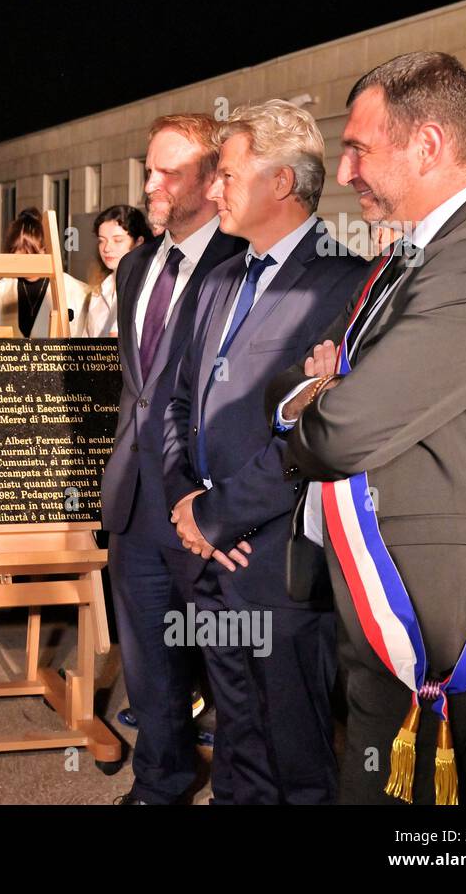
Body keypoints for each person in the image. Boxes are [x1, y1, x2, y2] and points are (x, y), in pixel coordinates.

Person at [269, 53, 466, 805]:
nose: (344, 173)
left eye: (359, 150)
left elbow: (341, 430)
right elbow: (299, 382)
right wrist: (318, 390)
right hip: (382, 585)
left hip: (433, 618)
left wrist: (328, 394)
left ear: (428, 145)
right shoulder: (423, 246)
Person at [162, 101, 367, 804]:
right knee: (238, 744)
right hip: (211, 555)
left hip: (281, 564)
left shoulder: (345, 282)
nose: (213, 189)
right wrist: (187, 504)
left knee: (296, 756)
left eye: (226, 174)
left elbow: (320, 430)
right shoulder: (219, 279)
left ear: (281, 182)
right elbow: (178, 406)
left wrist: (222, 516)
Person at [100, 113, 246, 805]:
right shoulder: (133, 267)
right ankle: (160, 780)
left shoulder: (245, 264)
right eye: (147, 168)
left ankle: (243, 788)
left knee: (228, 663)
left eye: (167, 172)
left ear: (215, 180)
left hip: (203, 507)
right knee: (148, 664)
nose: (149, 184)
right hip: (133, 502)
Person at [0, 207, 91, 337]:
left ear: (46, 250)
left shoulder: (76, 291)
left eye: (29, 254)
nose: (24, 264)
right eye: (17, 257)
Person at [83, 205, 154, 337]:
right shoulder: (100, 288)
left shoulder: (148, 286)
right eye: (101, 241)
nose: (106, 248)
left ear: (139, 242)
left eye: (117, 240)